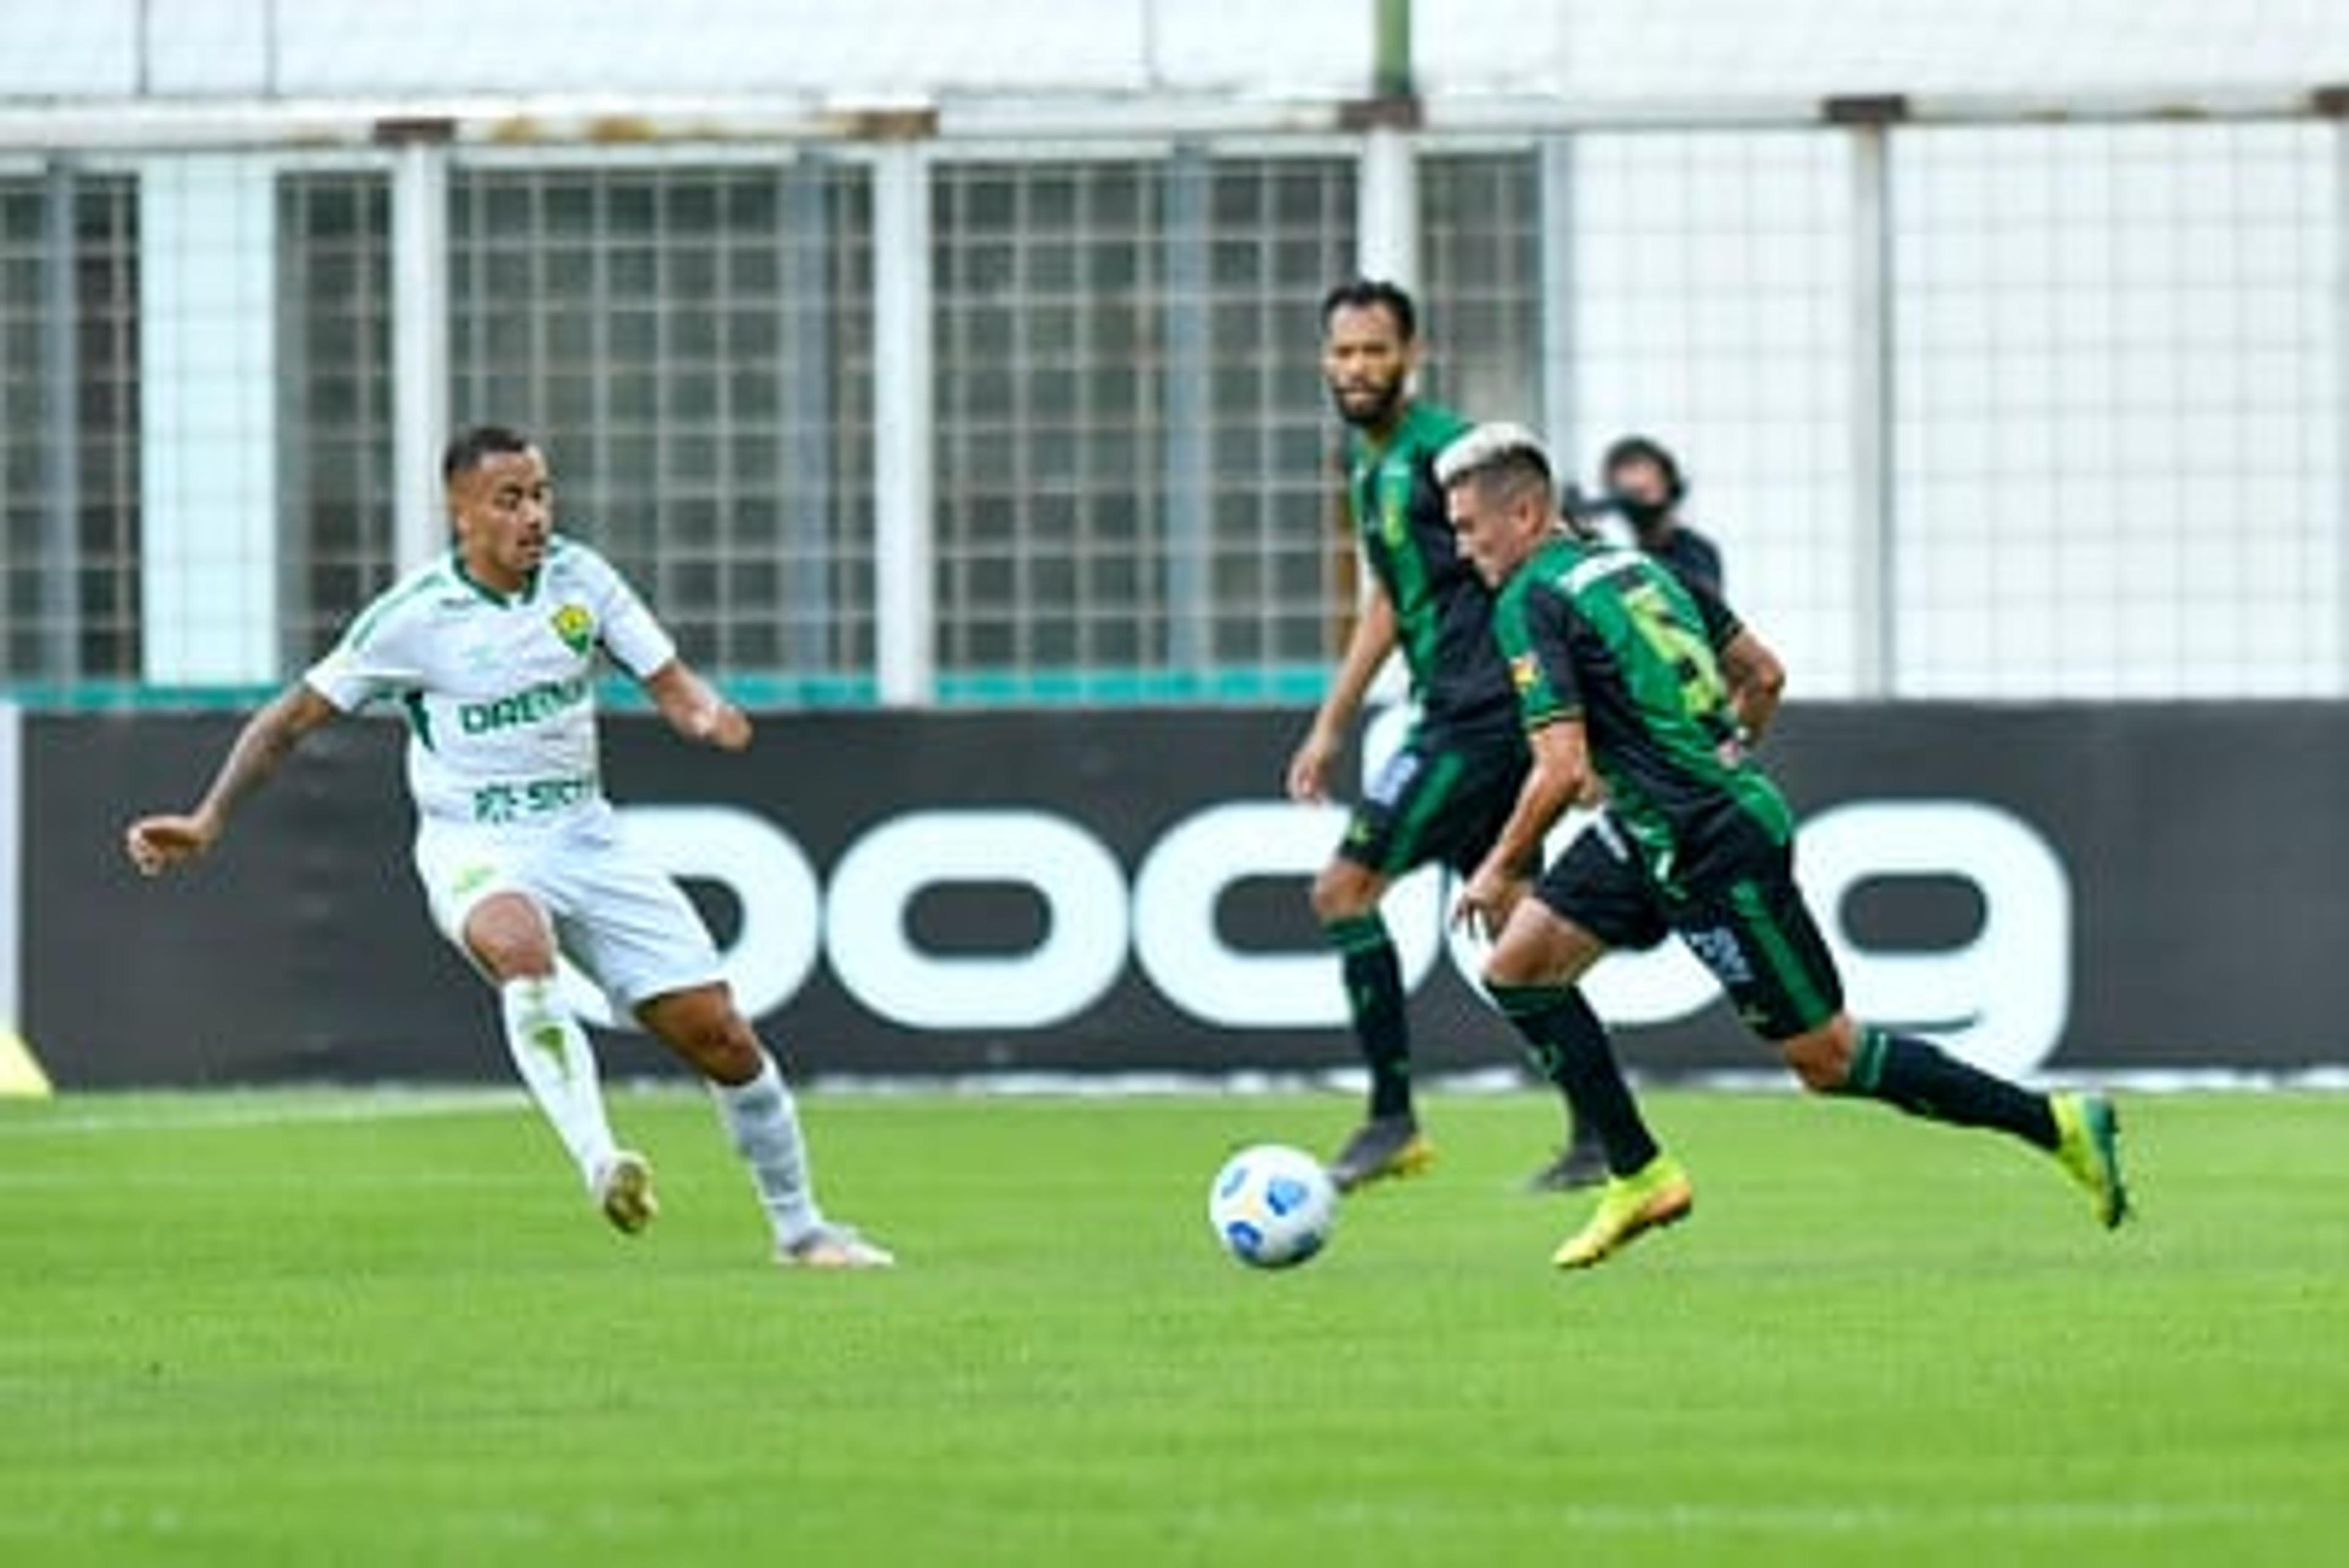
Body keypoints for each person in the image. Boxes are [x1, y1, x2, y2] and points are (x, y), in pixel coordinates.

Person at [122, 424, 892, 1270]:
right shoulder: (412, 619)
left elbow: (671, 681)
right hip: (476, 846)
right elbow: (289, 720)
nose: (534, 515)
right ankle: (603, 1159)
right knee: (518, 944)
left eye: (542, 493)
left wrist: (705, 714)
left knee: (723, 1038)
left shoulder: (581, 579)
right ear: (461, 514)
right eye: (510, 499)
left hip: (586, 838)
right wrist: (207, 818)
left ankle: (802, 1230)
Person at [1434, 421, 2129, 1269]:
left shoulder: (1529, 600)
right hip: (1657, 823)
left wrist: (1501, 861)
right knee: (1517, 967)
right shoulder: (1644, 567)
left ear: (1529, 511)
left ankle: (2055, 1124)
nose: (1463, 547)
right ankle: (1639, 1172)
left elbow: (1560, 767)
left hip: (1713, 843)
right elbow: (1762, 674)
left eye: (1471, 527)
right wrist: (1719, 751)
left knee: (1828, 1058)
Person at [1284, 278, 1607, 1192]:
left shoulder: (1444, 453)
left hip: (1480, 716)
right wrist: (1331, 725)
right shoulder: (1364, 463)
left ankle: (1391, 1120)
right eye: (1343, 352)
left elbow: (1548, 535)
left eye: (1374, 350)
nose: (1356, 368)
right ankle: (1601, 1136)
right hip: (1448, 710)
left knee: (1344, 890)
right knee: (1517, 935)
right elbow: (1388, 600)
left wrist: (1585, 705)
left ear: (1411, 355)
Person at [1599, 434, 1723, 595]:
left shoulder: (1696, 554)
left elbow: (1693, 605)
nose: (1638, 508)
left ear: (1669, 486)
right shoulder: (1613, 552)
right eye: (1628, 497)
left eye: (1643, 493)